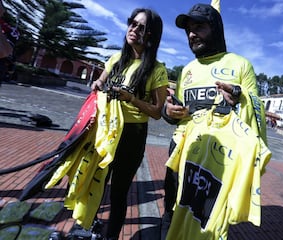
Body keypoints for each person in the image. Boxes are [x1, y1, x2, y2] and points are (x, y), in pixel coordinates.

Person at [160, 3, 268, 239]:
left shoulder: (240, 65)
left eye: (199, 27)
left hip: (217, 159)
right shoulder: (187, 69)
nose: (191, 34)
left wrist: (238, 96)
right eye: (188, 29)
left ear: (216, 28)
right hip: (180, 152)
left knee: (208, 219)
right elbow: (176, 113)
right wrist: (168, 111)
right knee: (171, 209)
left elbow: (257, 109)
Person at [90, 8, 168, 240]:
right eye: (132, 23)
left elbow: (156, 112)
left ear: (151, 35)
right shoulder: (116, 59)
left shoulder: (157, 69)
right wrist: (96, 84)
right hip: (105, 130)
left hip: (131, 136)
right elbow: (100, 83)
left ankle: (111, 235)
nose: (133, 29)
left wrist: (131, 98)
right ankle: (89, 225)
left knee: (118, 193)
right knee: (95, 184)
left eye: (141, 27)